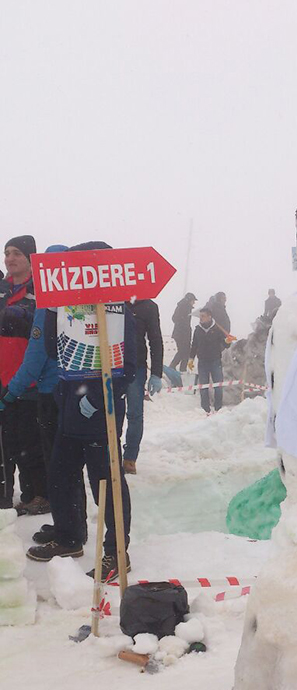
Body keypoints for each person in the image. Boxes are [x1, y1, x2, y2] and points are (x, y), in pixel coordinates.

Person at [26, 242, 137, 581]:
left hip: (100, 416)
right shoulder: (70, 308)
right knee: (60, 477)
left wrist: (98, 400)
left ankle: (117, 551)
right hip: (69, 412)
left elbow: (128, 366)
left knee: (107, 482)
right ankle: (70, 537)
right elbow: (51, 349)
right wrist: (51, 306)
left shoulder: (118, 310)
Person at [0, 235, 48, 514]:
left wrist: (16, 315)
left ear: (31, 259)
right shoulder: (3, 290)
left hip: (29, 380)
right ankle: (8, 496)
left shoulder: (39, 291)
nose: (10, 258)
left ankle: (37, 495)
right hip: (2, 377)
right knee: (7, 444)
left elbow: (41, 329)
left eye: (17, 253)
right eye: (7, 253)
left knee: (29, 443)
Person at [123, 298, 164, 475]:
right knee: (111, 412)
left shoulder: (148, 306)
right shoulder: (111, 299)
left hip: (136, 366)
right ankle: (111, 455)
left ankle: (130, 457)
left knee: (134, 413)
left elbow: (155, 340)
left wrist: (156, 372)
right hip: (110, 364)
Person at [188, 306, 226, 414]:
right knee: (203, 386)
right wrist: (191, 358)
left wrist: (228, 340)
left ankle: (218, 408)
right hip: (202, 362)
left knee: (218, 385)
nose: (201, 318)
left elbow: (225, 344)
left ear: (209, 317)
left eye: (203, 316)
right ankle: (205, 410)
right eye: (200, 316)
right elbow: (194, 345)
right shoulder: (198, 330)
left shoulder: (217, 329)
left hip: (215, 361)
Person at [170, 292, 196, 371]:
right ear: (189, 300)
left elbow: (174, 318)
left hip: (180, 333)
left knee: (184, 352)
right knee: (184, 352)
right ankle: (177, 368)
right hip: (182, 334)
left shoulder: (181, 306)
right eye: (193, 300)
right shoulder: (185, 307)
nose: (194, 302)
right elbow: (175, 318)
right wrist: (184, 324)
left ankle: (177, 368)